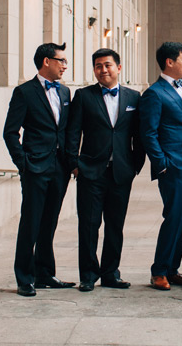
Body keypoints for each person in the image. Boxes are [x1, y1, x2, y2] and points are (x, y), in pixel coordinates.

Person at [65, 48, 145, 292]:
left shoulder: (134, 98)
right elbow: (72, 133)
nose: (103, 70)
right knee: (88, 226)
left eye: (108, 65)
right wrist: (75, 165)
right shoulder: (83, 96)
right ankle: (88, 275)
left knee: (115, 226)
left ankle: (111, 273)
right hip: (90, 171)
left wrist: (135, 166)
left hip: (121, 172)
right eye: (98, 66)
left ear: (118, 68)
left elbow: (138, 136)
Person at [2, 42, 75, 297]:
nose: (65, 65)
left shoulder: (65, 93)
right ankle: (24, 277)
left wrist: (70, 163)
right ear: (46, 61)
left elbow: (65, 131)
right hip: (35, 167)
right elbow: (10, 133)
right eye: (61, 61)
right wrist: (24, 164)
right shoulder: (24, 92)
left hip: (59, 168)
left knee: (49, 223)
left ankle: (45, 274)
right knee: (31, 223)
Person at [139, 41, 182, 291]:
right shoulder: (154, 94)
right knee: (173, 216)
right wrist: (162, 164)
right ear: (170, 62)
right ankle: (159, 271)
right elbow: (148, 133)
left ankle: (173, 269)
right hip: (172, 167)